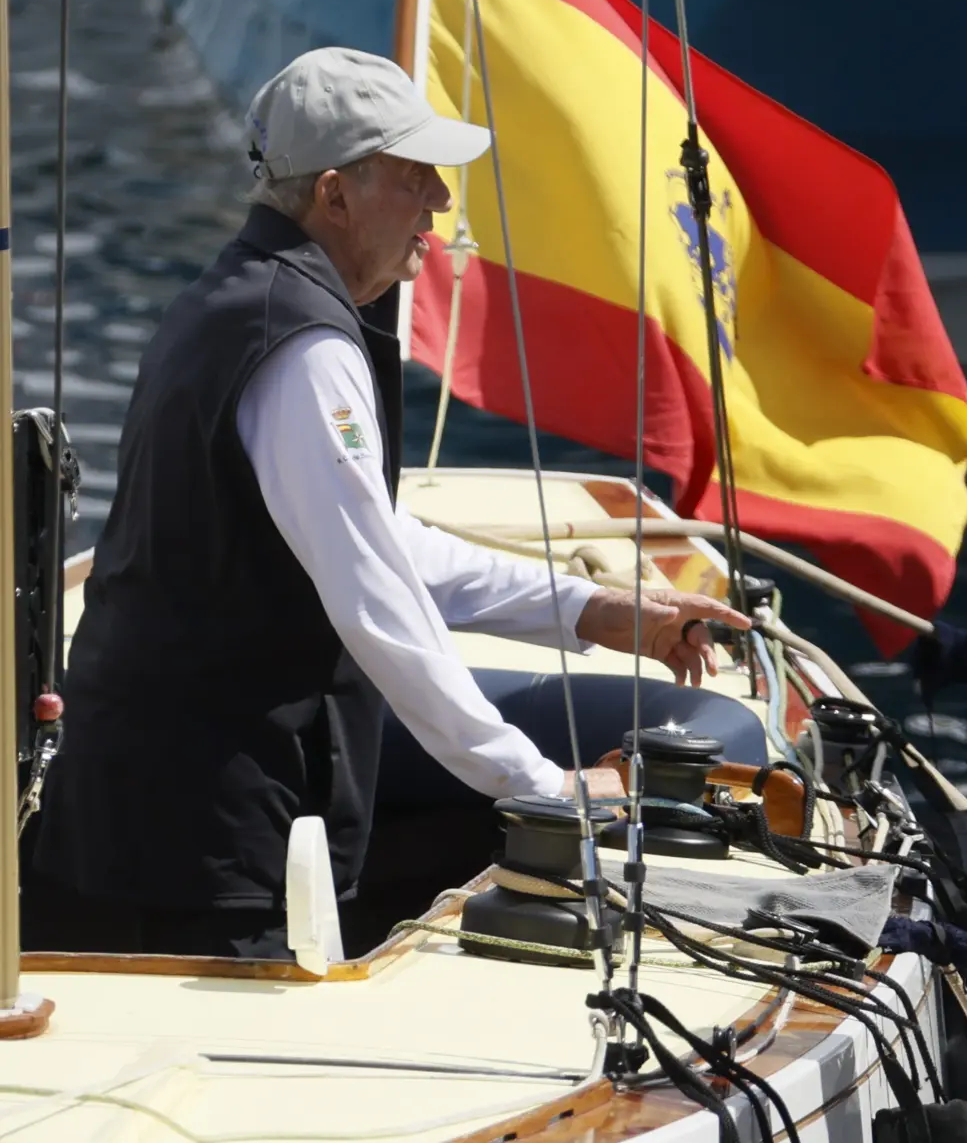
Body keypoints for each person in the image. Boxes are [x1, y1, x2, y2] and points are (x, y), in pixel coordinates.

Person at [25, 47, 751, 963]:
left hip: (156, 812)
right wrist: (548, 790)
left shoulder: (241, 300)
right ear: (335, 194)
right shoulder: (301, 348)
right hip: (201, 854)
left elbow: (376, 541)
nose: (440, 205)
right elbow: (379, 604)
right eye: (416, 179)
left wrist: (595, 610)